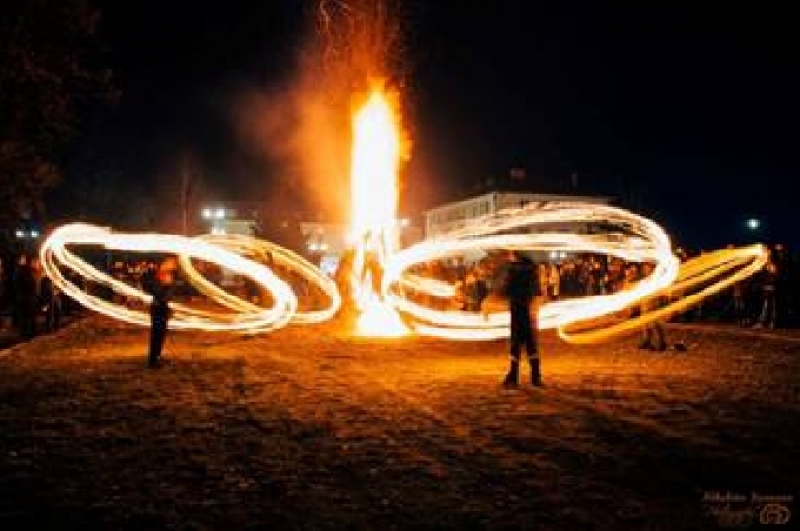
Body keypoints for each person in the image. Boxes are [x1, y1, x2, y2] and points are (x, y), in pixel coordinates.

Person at [501, 250, 542, 388]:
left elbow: (506, 290)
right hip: (528, 311)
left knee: (515, 345)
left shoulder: (512, 270)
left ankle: (513, 376)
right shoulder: (532, 270)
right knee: (531, 345)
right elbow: (537, 291)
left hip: (517, 309)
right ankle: (536, 378)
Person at [142, 261, 173, 368]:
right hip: (158, 307)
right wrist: (165, 285)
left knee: (161, 334)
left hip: (163, 307)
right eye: (170, 263)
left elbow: (167, 295)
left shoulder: (166, 276)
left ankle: (157, 356)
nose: (172, 265)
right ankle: (153, 360)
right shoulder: (156, 278)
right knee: (157, 334)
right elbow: (157, 292)